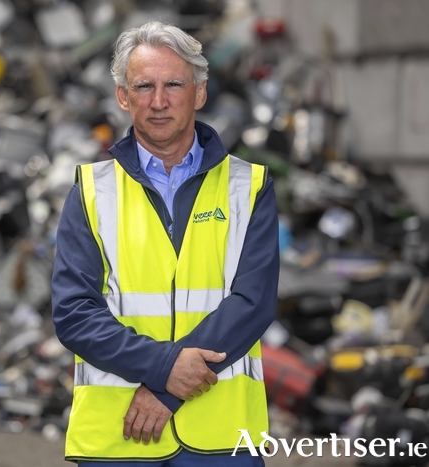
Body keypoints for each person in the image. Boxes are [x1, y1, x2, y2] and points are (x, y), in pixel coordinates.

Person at [51, 21, 279, 467]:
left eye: (174, 84)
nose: (158, 102)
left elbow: (254, 301)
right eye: (143, 86)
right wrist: (164, 369)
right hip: (119, 440)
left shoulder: (248, 186)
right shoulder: (91, 190)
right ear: (122, 96)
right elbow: (74, 312)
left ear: (199, 93)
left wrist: (162, 387)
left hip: (220, 440)